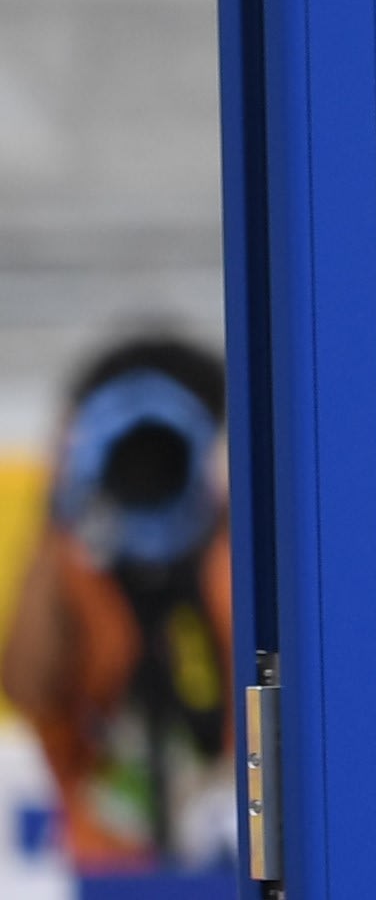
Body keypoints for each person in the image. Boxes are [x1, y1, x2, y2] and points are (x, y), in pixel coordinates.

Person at [0, 336, 237, 873]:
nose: (148, 468)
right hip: (105, 868)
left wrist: (230, 511)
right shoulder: (80, 570)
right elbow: (25, 686)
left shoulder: (241, 561)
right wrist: (60, 500)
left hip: (235, 860)